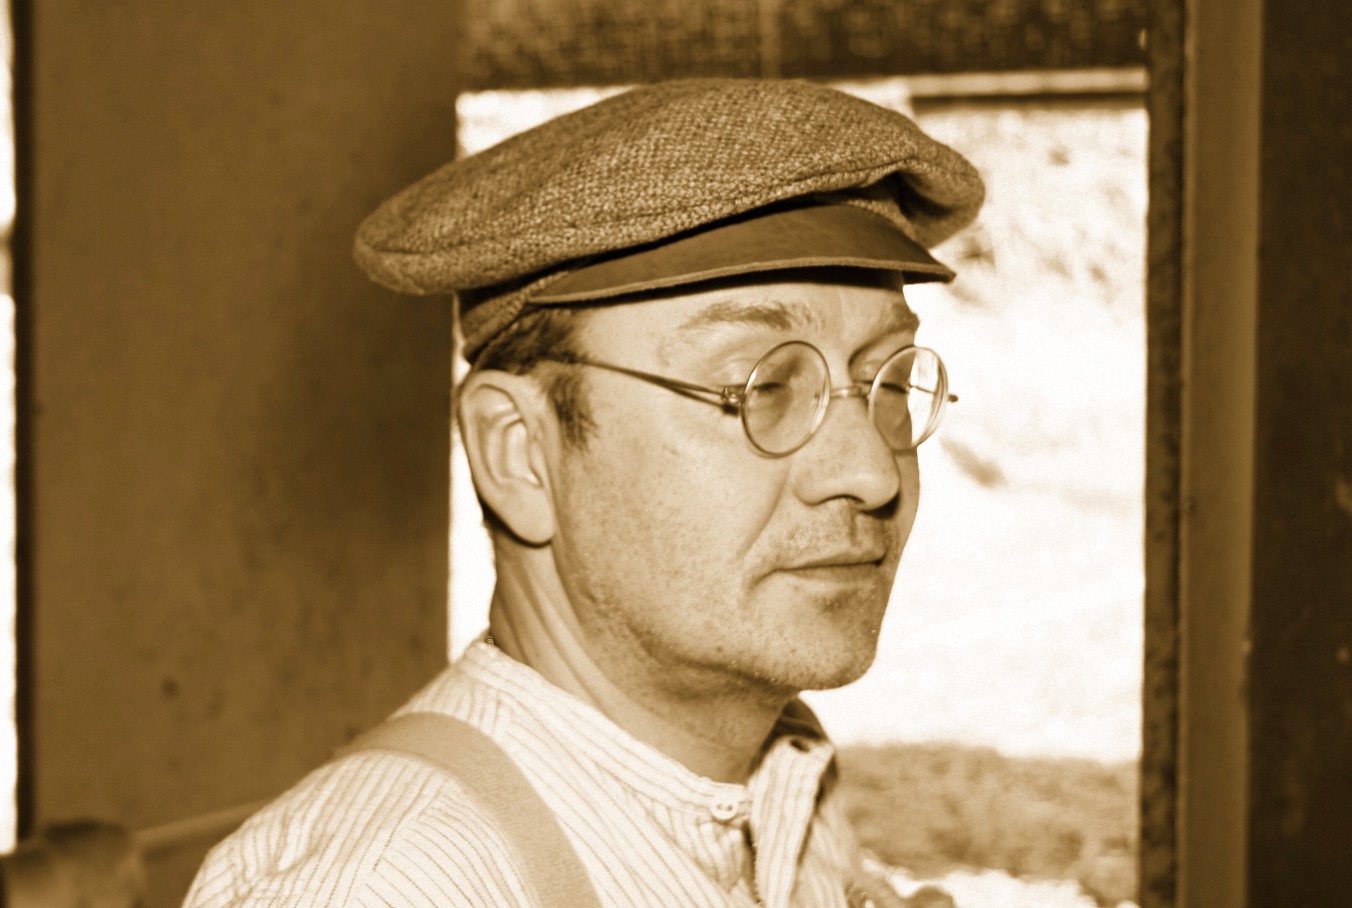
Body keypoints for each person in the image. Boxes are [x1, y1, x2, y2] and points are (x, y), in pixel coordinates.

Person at [184, 78, 983, 908]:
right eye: (760, 387)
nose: (871, 471)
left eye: (888, 382)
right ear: (519, 452)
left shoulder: (785, 791)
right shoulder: (386, 888)